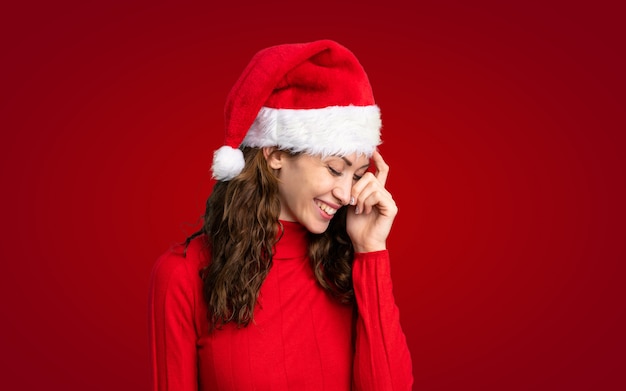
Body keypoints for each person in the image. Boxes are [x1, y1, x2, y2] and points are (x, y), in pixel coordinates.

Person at [149, 39, 413, 390]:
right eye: (335, 169)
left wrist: (371, 250)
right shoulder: (184, 275)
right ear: (275, 154)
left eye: (358, 173)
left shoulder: (349, 265)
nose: (348, 193)